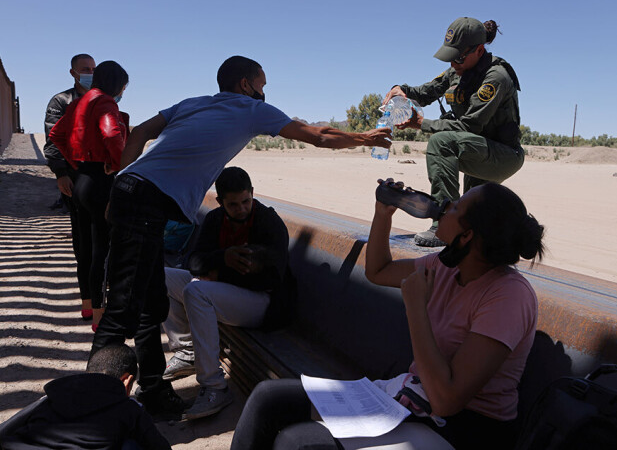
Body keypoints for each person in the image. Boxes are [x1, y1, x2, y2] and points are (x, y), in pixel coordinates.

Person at [90, 55, 391, 417]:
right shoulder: (250, 108)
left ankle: (153, 392)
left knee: (151, 300)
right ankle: (93, 407)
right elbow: (320, 136)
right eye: (262, 84)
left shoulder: (193, 103)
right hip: (145, 201)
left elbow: (139, 132)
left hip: (135, 192)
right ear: (246, 85)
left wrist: (120, 182)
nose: (264, 91)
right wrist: (364, 137)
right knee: (124, 307)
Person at [230, 181, 544, 450]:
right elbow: (378, 271)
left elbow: (448, 401)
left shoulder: (508, 296)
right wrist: (383, 213)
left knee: (299, 442)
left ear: (467, 236)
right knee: (268, 398)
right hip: (415, 396)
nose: (443, 207)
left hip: (464, 429)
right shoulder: (447, 266)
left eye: (454, 208)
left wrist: (415, 308)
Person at [162, 166, 294, 420]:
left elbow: (273, 278)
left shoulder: (269, 222)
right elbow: (194, 262)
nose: (242, 209)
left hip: (264, 303)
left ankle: (214, 386)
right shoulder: (214, 220)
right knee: (163, 276)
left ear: (253, 193)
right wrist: (223, 257)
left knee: (196, 291)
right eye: (233, 205)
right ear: (221, 202)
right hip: (225, 292)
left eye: (246, 201)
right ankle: (188, 351)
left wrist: (221, 274)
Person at [384, 17, 524, 247]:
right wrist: (401, 90)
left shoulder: (496, 77)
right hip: (476, 149)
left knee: (441, 142)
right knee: (475, 219)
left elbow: (469, 126)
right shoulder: (456, 72)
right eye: (450, 58)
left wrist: (420, 123)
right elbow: (426, 92)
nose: (453, 64)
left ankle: (443, 223)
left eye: (458, 58)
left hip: (503, 155)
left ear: (480, 50)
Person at [49, 61, 130, 330]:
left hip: (81, 178)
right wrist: (118, 163)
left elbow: (56, 133)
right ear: (116, 84)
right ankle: (99, 317)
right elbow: (112, 133)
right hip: (99, 182)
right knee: (100, 250)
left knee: (84, 247)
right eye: (123, 88)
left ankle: (87, 306)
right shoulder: (106, 102)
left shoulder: (78, 102)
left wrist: (74, 162)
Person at [0, 344, 171, 449]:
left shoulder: (52, 397)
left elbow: (4, 430)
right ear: (127, 381)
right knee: (131, 444)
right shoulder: (129, 408)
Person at [43, 53, 96, 320]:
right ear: (73, 73)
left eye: (93, 69)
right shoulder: (61, 101)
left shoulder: (102, 98)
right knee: (83, 242)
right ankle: (88, 300)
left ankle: (99, 298)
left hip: (100, 181)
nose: (90, 72)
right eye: (85, 69)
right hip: (75, 181)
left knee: (102, 242)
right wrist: (61, 174)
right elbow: (52, 140)